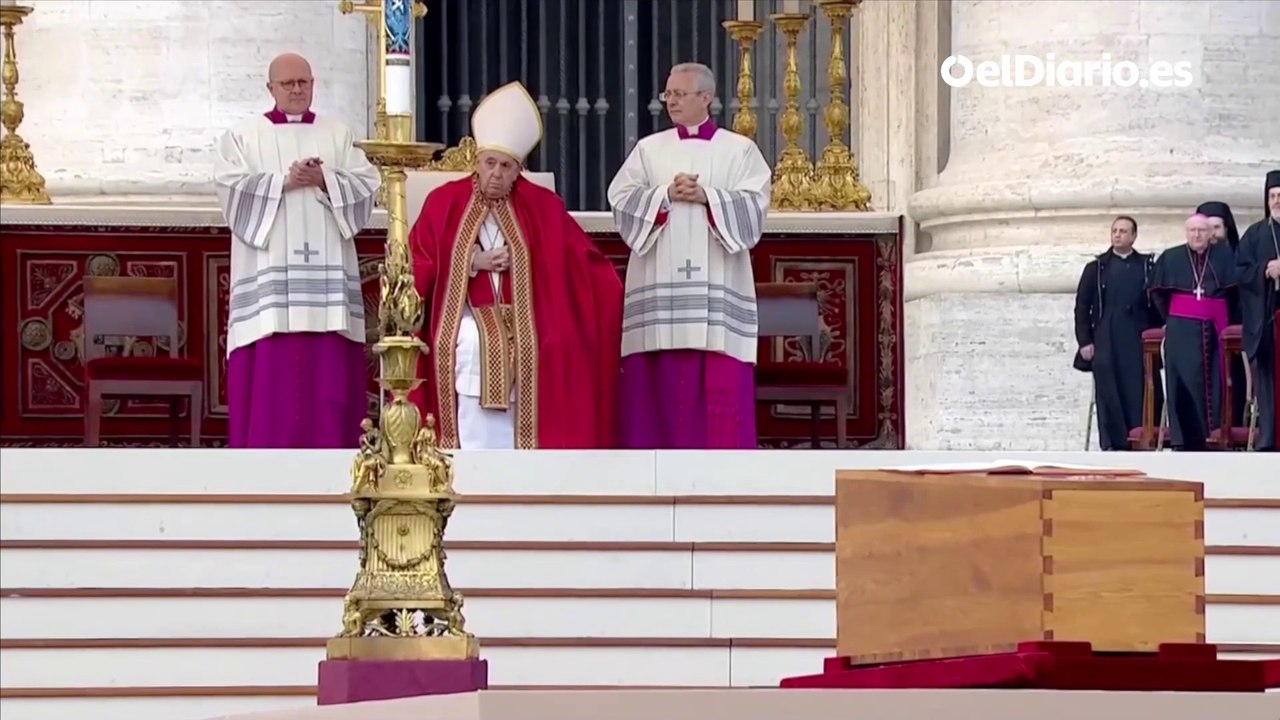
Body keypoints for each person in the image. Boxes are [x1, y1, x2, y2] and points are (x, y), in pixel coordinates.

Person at [407, 81, 623, 450]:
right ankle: (464, 454)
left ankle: (526, 460)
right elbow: (417, 263)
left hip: (532, 316)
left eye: (505, 166)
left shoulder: (543, 207)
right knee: (472, 341)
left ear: (519, 169)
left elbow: (582, 265)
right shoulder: (444, 202)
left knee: (546, 345)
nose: (495, 174)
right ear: (476, 162)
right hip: (463, 315)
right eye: (489, 163)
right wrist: (468, 261)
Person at [213, 53, 381, 448]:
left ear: (313, 84)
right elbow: (230, 188)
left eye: (303, 82)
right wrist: (284, 182)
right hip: (271, 291)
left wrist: (325, 178)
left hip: (327, 292)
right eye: (287, 83)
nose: (296, 89)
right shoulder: (243, 136)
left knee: (327, 382)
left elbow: (367, 184)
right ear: (270, 88)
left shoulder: (338, 134)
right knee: (275, 386)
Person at [606, 62, 772, 449]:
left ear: (706, 97)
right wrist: (664, 195)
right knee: (656, 387)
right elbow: (621, 199)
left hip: (718, 291)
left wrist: (707, 197)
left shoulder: (740, 150)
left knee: (718, 383)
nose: (671, 101)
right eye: (668, 94)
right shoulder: (648, 150)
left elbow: (754, 207)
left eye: (680, 94)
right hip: (660, 288)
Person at [1150, 214, 1239, 451]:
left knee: (1217, 382)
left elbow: (1235, 294)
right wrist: (1170, 319)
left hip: (1215, 329)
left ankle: (1216, 435)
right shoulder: (1171, 257)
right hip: (1181, 331)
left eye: (1202, 230)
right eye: (1192, 230)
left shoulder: (1225, 256)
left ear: (1210, 234)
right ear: (1186, 233)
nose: (1197, 235)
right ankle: (1183, 438)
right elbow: (1157, 294)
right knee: (1181, 382)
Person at [1072, 216, 1161, 450]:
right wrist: (1085, 341)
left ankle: (1144, 440)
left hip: (1138, 335)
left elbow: (1158, 302)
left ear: (1134, 236)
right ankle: (1113, 443)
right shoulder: (1096, 268)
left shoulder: (1147, 266)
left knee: (1141, 387)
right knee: (1109, 390)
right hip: (1106, 336)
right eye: (1115, 231)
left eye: (1123, 231)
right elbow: (1082, 306)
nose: (1118, 235)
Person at [1236, 170, 1280, 451]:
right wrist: (1265, 270)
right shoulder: (1255, 234)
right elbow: (1240, 271)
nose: (1277, 201)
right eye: (1272, 196)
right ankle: (1270, 438)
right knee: (1269, 380)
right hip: (1269, 320)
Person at [1197, 201, 1246, 427]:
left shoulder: (1240, 258)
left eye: (1216, 228)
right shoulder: (1189, 261)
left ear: (1227, 229)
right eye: (1207, 228)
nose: (1212, 234)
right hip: (1198, 337)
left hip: (1232, 336)